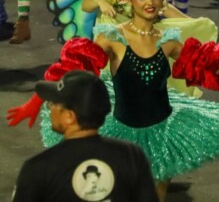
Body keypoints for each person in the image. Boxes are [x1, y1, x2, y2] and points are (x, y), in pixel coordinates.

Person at [10, 0, 219, 200]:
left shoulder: (168, 41)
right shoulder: (112, 37)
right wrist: (35, 102)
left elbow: (211, 65)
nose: (151, 2)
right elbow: (72, 68)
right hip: (124, 129)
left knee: (156, 192)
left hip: (164, 131)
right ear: (129, 0)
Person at [11, 70, 159, 202]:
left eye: (54, 103)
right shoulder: (132, 156)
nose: (50, 108)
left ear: (69, 116)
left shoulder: (39, 168)